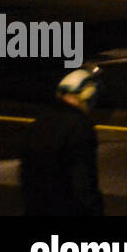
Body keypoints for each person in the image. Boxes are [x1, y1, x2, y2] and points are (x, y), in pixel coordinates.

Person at [20, 66, 105, 216]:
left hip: (37, 207)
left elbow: (25, 172)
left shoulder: (40, 122)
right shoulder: (80, 126)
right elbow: (82, 177)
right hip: (68, 208)